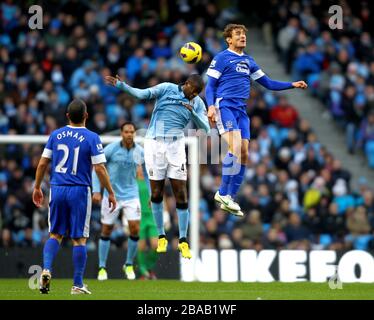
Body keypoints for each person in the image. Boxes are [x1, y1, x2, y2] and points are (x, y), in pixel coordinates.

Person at [205, 24, 307, 216]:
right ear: (229, 39)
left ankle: (230, 197)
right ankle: (222, 193)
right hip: (224, 105)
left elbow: (268, 83)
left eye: (244, 34)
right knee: (234, 147)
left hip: (241, 111)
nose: (242, 36)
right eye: (238, 34)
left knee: (244, 154)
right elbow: (210, 86)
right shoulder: (221, 58)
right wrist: (210, 106)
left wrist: (292, 84)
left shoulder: (249, 61)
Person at [105, 73, 210, 259]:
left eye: (196, 94)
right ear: (186, 84)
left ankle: (183, 241)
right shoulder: (166, 88)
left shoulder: (197, 103)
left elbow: (206, 129)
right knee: (156, 193)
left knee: (181, 193)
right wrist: (122, 85)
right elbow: (141, 94)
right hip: (154, 144)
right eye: (192, 92)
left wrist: (193, 112)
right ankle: (161, 236)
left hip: (176, 145)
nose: (193, 96)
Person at [32, 99, 116, 295]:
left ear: (67, 116)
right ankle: (77, 284)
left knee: (55, 234)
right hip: (79, 190)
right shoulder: (92, 137)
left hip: (57, 188)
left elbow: (43, 163)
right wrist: (110, 192)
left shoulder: (56, 135)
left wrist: (37, 187)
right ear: (86, 116)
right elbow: (100, 168)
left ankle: (46, 270)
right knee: (79, 239)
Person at [93, 121, 148, 281]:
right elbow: (97, 168)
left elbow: (148, 174)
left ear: (135, 134)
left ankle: (129, 264)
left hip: (132, 195)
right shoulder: (110, 149)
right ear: (121, 134)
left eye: (132, 132)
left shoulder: (140, 152)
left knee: (135, 229)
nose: (129, 134)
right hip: (112, 196)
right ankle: (102, 267)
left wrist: (151, 195)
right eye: (126, 132)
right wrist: (97, 190)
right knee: (106, 230)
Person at [136, 166, 159, 280]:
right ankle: (144, 272)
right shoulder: (131, 183)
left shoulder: (149, 179)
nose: (139, 168)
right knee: (141, 246)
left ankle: (148, 268)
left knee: (157, 245)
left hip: (151, 216)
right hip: (139, 217)